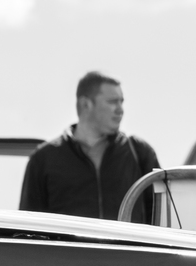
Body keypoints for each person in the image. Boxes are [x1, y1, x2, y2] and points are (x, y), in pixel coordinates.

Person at [18, 71, 161, 223]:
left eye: (122, 101)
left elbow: (162, 218)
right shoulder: (43, 160)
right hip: (67, 248)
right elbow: (28, 227)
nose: (120, 109)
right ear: (85, 104)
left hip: (127, 248)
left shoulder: (140, 153)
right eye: (113, 102)